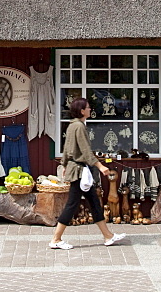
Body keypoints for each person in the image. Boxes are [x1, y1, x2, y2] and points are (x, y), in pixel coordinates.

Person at [49, 97, 126, 250]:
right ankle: (56, 239)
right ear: (82, 110)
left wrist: (64, 164)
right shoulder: (79, 127)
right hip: (78, 171)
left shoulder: (71, 126)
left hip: (76, 169)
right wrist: (100, 166)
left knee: (94, 203)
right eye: (88, 107)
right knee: (72, 205)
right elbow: (85, 151)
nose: (90, 109)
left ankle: (108, 236)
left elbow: (66, 148)